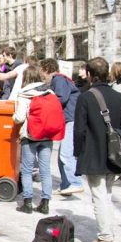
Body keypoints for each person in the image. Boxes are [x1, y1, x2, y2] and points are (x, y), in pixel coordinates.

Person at [73, 57, 121, 242]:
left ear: (89, 74)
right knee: (106, 195)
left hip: (93, 154)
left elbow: (79, 129)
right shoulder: (117, 96)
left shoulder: (86, 97)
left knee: (99, 196)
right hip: (113, 155)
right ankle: (108, 235)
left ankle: (105, 241)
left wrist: (78, 152)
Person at [15, 66, 62, 215]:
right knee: (45, 170)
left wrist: (13, 118)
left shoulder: (24, 94)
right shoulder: (50, 92)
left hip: (30, 137)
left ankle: (27, 203)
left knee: (27, 170)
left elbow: (20, 118)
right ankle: (45, 203)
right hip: (48, 136)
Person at [40, 58, 83, 196]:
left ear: (46, 69)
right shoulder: (60, 79)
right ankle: (66, 185)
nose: (41, 75)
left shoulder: (58, 79)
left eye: (42, 72)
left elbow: (61, 98)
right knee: (61, 156)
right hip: (68, 120)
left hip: (70, 119)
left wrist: (45, 102)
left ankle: (75, 183)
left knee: (66, 153)